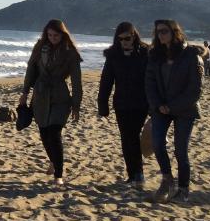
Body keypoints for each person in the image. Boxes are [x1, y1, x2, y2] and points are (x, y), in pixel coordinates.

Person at [19, 19, 83, 187]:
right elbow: (30, 70)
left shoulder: (70, 53)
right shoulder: (39, 47)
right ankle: (54, 161)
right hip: (40, 96)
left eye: (56, 35)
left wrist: (76, 105)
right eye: (50, 35)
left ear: (63, 34)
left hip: (60, 97)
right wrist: (24, 93)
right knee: (44, 135)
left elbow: (77, 81)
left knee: (54, 133)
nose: (53, 38)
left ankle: (58, 175)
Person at [145, 19, 202, 203]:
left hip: (185, 109)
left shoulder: (190, 55)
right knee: (157, 143)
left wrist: (172, 106)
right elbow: (149, 83)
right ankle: (167, 180)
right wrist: (158, 105)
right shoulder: (155, 55)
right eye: (158, 32)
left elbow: (195, 90)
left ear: (174, 32)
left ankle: (183, 188)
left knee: (180, 150)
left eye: (164, 31)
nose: (160, 35)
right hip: (161, 108)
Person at [97, 22, 150, 188]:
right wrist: (102, 105)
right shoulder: (113, 55)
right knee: (126, 138)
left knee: (132, 136)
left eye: (127, 38)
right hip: (121, 103)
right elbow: (106, 81)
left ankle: (138, 174)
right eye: (120, 39)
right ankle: (132, 175)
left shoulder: (146, 53)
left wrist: (155, 103)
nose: (124, 42)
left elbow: (152, 79)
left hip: (141, 103)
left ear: (134, 36)